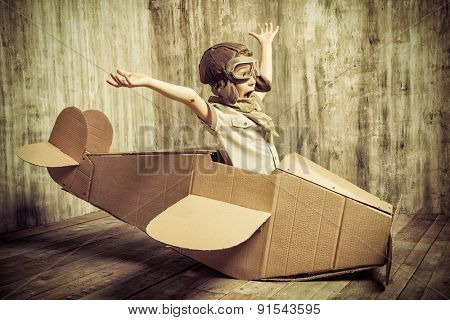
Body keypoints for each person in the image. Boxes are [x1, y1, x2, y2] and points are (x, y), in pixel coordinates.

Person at [107, 22, 280, 174]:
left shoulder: (250, 106)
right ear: (220, 86)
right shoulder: (220, 116)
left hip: (274, 181)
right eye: (243, 75)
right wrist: (148, 81)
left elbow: (266, 80)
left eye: (252, 73)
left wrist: (266, 45)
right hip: (252, 188)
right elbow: (191, 97)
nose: (252, 81)